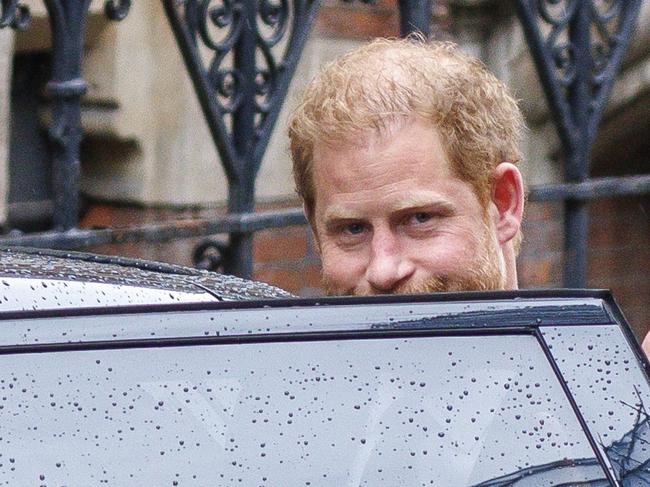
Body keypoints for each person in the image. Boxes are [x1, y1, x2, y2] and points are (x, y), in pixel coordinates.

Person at [288, 37, 525, 296]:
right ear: (314, 226)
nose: (383, 271)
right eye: (352, 229)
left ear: (503, 203)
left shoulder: (572, 336)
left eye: (420, 219)